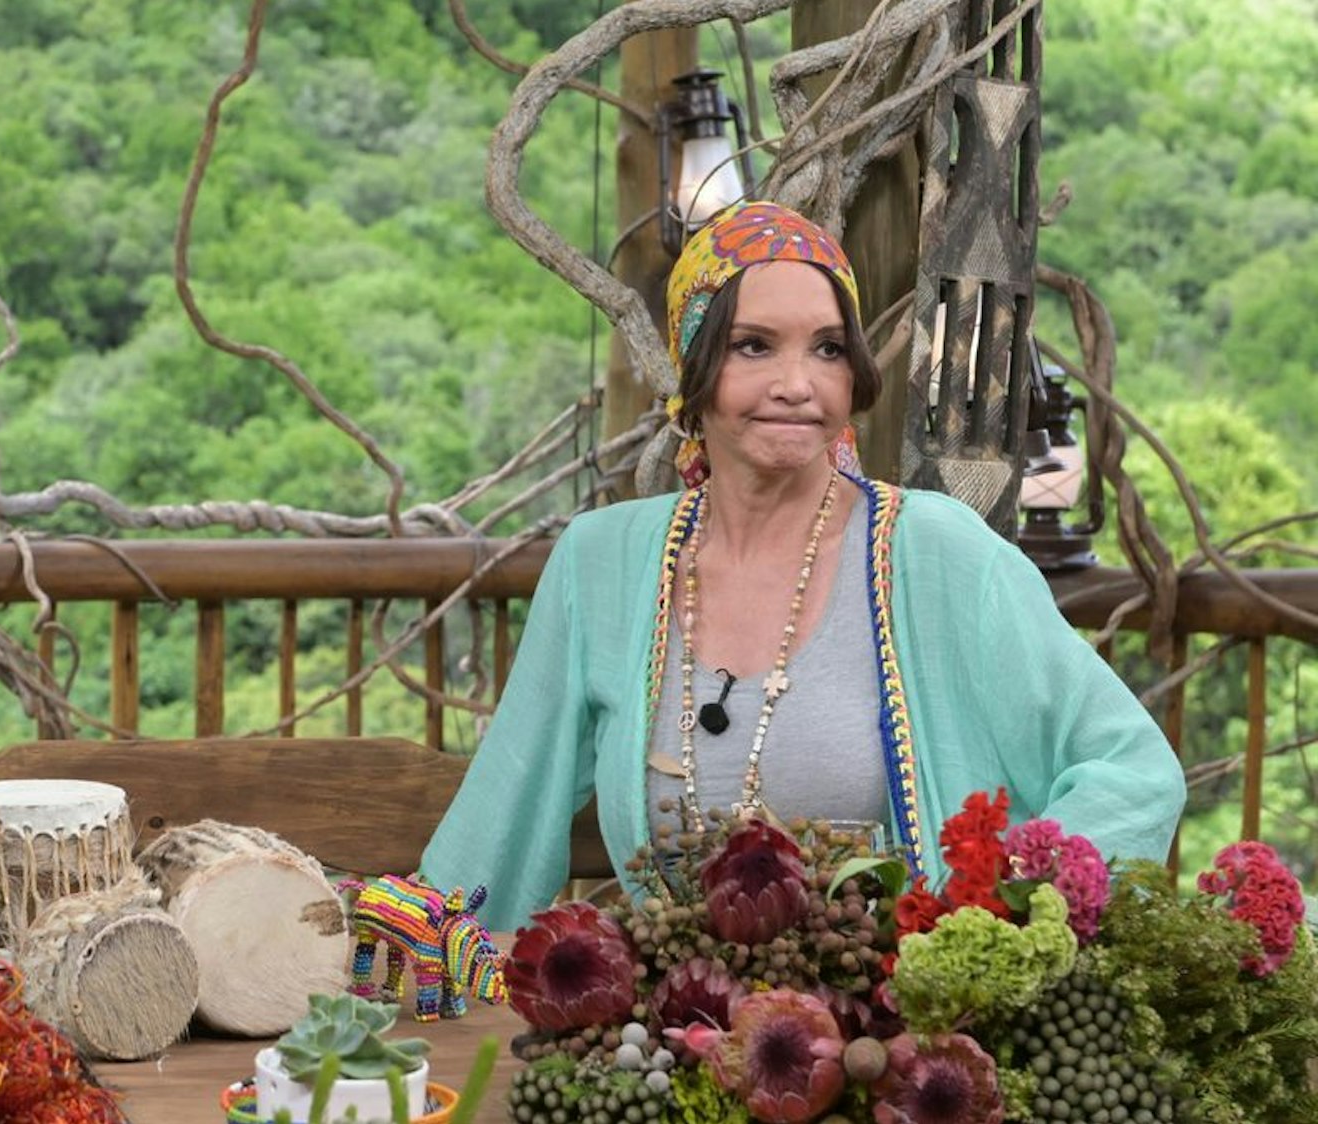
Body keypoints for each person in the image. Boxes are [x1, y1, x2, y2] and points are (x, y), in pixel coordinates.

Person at [421, 201, 1185, 932]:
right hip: (664, 1038)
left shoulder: (936, 553)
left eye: (827, 348)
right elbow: (503, 813)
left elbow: (1134, 769)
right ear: (695, 365)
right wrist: (397, 955)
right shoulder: (602, 565)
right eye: (754, 345)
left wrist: (997, 930)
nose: (798, 383)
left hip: (890, 1043)